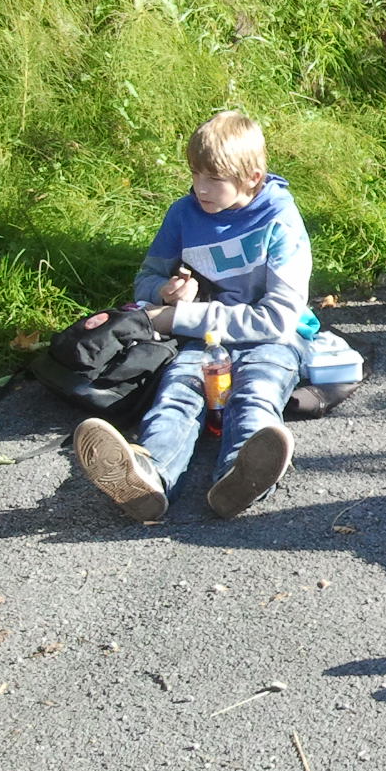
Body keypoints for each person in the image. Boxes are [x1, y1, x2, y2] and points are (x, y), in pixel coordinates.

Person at [72, 111, 311, 521]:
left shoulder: (279, 221)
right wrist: (164, 292)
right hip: (204, 340)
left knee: (255, 393)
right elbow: (146, 280)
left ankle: (241, 475)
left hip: (271, 340)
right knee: (177, 395)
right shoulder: (183, 214)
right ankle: (148, 476)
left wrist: (177, 316)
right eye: (195, 174)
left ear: (252, 177)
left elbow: (276, 320)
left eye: (213, 178)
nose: (200, 188)